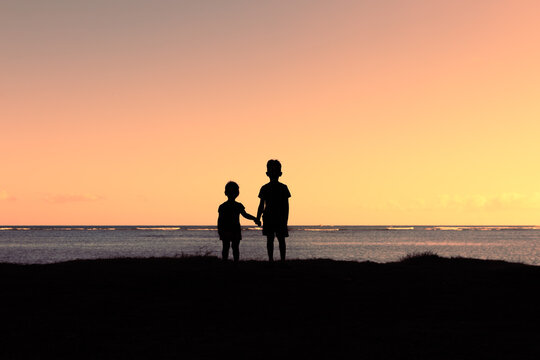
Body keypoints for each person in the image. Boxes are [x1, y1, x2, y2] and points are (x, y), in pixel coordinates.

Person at [257, 159, 291, 263]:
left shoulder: (270, 188)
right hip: (273, 217)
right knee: (276, 239)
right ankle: (279, 260)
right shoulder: (279, 188)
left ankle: (276, 260)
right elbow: (262, 204)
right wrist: (258, 217)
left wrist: (258, 217)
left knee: (274, 239)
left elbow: (261, 205)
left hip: (274, 217)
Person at [218, 181, 260, 263]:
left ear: (225, 193)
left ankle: (226, 263)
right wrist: (255, 219)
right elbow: (245, 215)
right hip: (234, 229)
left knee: (226, 247)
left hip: (229, 229)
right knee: (234, 248)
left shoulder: (223, 206)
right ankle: (235, 263)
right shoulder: (237, 205)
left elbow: (220, 220)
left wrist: (220, 230)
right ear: (237, 193)